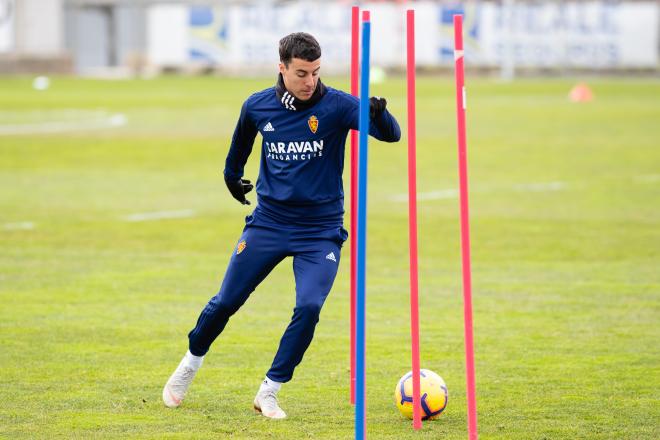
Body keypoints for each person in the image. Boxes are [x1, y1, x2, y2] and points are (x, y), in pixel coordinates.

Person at [162, 32, 400, 419]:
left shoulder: (337, 105)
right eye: (302, 73)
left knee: (309, 306)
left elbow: (392, 135)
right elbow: (237, 152)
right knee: (226, 302)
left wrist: (378, 113)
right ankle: (189, 364)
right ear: (282, 68)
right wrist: (232, 178)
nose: (310, 82)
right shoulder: (257, 106)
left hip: (319, 231)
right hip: (268, 224)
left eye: (316, 72)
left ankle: (270, 390)